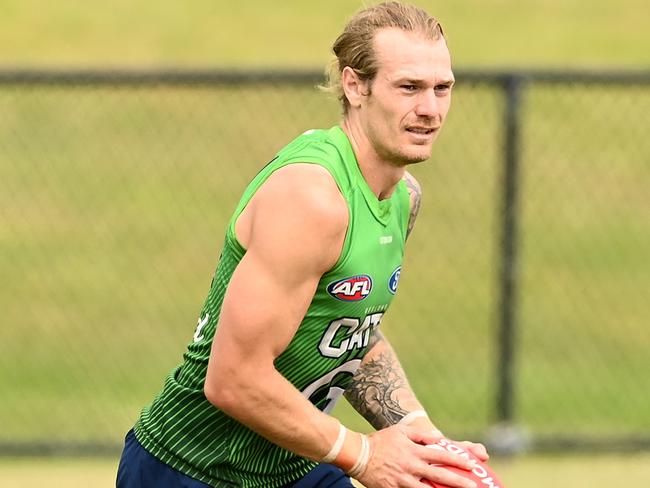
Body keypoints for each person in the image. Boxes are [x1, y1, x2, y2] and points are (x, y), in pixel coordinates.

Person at [117, 2, 490, 487]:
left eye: (443, 88)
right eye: (409, 87)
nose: (430, 109)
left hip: (295, 464)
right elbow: (233, 379)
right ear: (355, 86)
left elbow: (348, 334)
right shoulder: (313, 198)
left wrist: (420, 435)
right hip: (196, 470)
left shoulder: (402, 198)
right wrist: (362, 455)